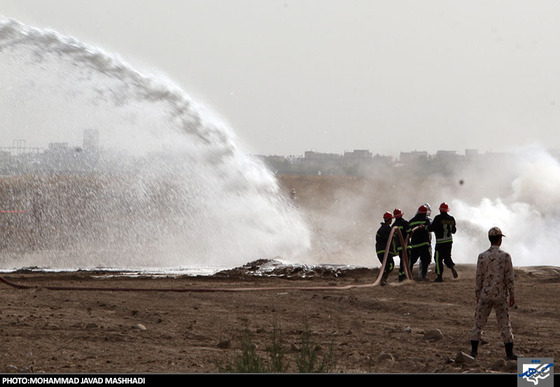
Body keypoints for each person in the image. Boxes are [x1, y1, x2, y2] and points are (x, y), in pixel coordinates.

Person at [470, 227, 517, 360]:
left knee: (478, 323)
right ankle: (509, 353)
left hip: (485, 295)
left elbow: (479, 277)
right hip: (500, 296)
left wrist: (478, 295)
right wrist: (512, 294)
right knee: (504, 323)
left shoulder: (482, 256)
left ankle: (474, 351)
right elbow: (509, 277)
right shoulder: (505, 256)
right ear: (500, 239)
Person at [428, 202, 458, 282]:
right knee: (447, 256)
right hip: (449, 241)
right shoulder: (451, 218)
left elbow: (431, 228)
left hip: (440, 242)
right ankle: (452, 267)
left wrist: (425, 227)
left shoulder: (438, 218)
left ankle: (439, 276)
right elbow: (454, 231)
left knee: (438, 259)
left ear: (440, 210)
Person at [407, 205, 432, 280]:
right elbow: (430, 228)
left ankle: (408, 275)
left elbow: (408, 231)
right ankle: (424, 276)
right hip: (424, 244)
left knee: (411, 261)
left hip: (414, 245)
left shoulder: (412, 220)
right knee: (425, 260)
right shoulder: (426, 220)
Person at [375, 211, 396, 286]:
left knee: (387, 265)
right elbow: (387, 238)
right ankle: (382, 278)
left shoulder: (386, 228)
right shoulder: (384, 229)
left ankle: (381, 278)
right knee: (390, 265)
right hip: (384, 251)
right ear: (390, 220)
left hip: (382, 251)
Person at [392, 208, 412, 282]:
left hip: (399, 247)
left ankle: (401, 275)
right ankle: (405, 275)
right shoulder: (404, 223)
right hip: (406, 245)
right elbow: (409, 231)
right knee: (407, 261)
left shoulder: (393, 225)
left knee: (402, 260)